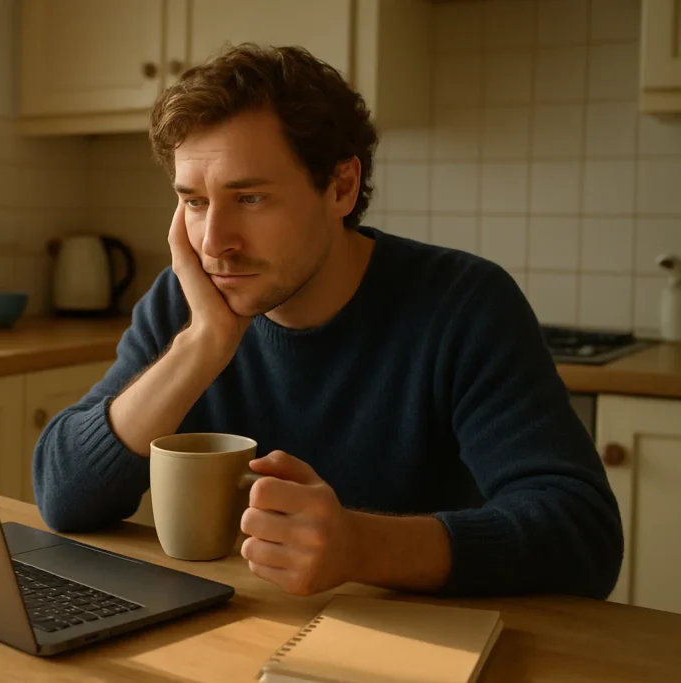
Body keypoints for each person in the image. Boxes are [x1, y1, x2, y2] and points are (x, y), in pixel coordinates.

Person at [32, 43, 623, 600]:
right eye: (195, 202)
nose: (214, 243)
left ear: (341, 187)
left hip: (426, 643)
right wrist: (202, 345)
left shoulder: (464, 304)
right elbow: (63, 496)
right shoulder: (185, 303)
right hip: (242, 633)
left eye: (250, 198)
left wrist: (362, 547)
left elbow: (583, 536)